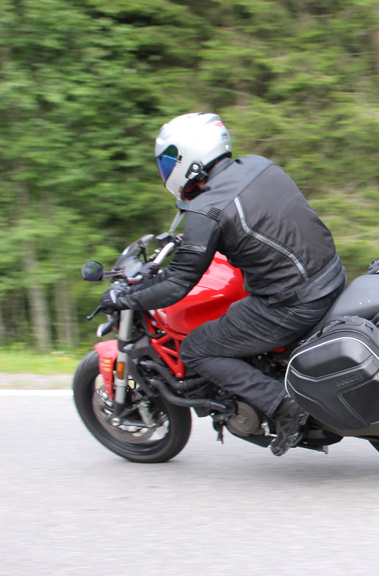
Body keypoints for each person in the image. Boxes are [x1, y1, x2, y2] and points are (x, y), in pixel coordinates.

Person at [101, 113, 346, 456]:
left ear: (188, 157)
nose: (167, 168)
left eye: (170, 159)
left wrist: (124, 297)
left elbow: (177, 284)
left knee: (199, 348)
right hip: (331, 275)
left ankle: (282, 404)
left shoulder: (208, 209)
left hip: (293, 304)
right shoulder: (260, 166)